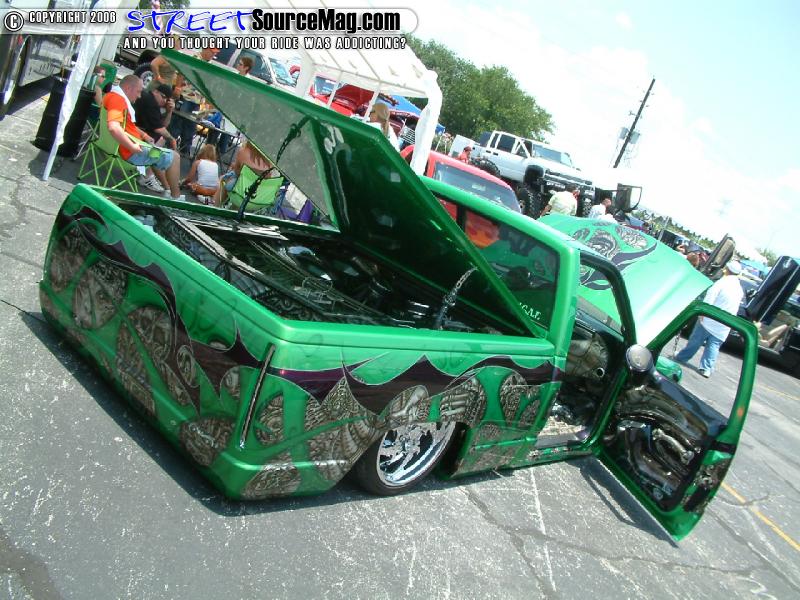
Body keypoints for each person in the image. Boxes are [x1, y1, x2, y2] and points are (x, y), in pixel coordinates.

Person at [103, 74, 183, 200]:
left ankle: (166, 189)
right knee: (175, 157)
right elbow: (114, 127)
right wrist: (132, 147)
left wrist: (144, 135)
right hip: (130, 152)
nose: (140, 96)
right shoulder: (118, 100)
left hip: (114, 146)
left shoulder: (111, 96)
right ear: (128, 88)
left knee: (157, 148)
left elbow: (125, 125)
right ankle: (175, 198)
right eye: (138, 91)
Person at [675, 260, 744, 377]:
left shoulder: (722, 282)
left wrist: (703, 313)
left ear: (727, 270)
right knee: (714, 346)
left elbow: (710, 296)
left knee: (696, 340)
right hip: (725, 323)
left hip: (710, 318)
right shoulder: (739, 289)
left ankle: (682, 357)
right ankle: (706, 368)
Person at [214, 140, 276, 207]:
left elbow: (236, 172)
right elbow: (267, 178)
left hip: (240, 193)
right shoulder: (270, 160)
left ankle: (216, 206)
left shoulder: (243, 151)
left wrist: (234, 166)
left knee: (223, 178)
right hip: (258, 197)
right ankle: (234, 208)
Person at [132, 83, 177, 150]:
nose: (164, 101)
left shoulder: (153, 101)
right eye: (163, 97)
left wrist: (169, 111)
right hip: (134, 132)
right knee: (162, 137)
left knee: (162, 136)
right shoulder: (150, 101)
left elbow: (163, 126)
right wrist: (172, 139)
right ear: (155, 92)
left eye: (167, 100)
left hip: (137, 129)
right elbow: (159, 129)